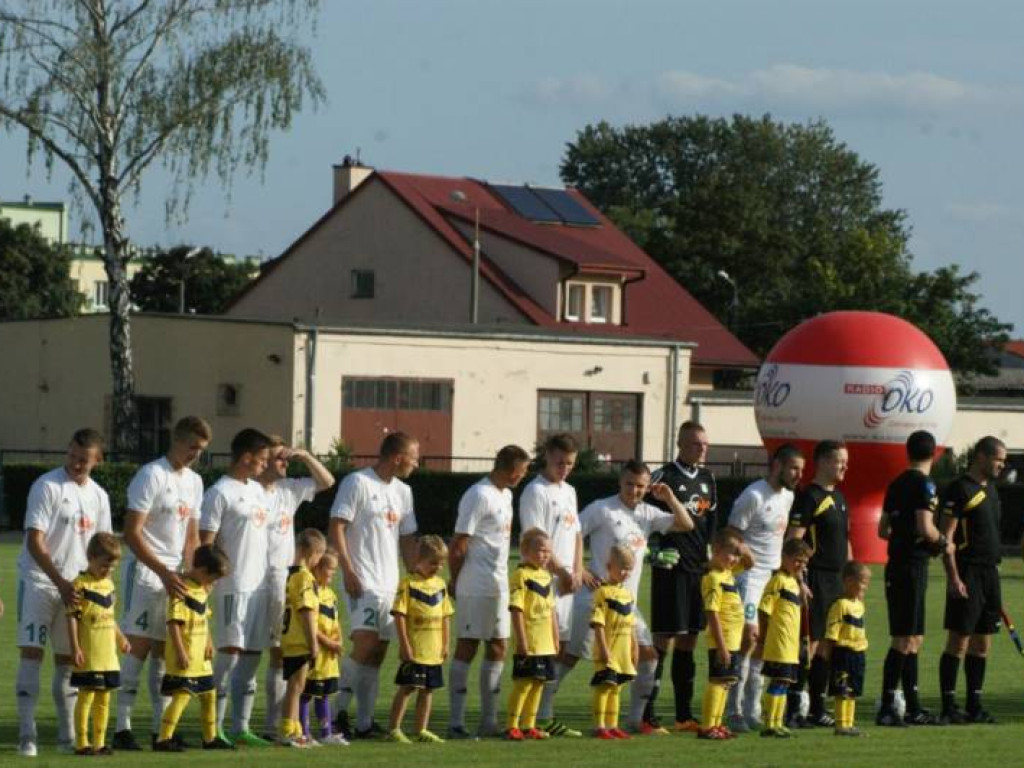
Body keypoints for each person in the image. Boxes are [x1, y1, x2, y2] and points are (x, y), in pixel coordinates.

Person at [553, 460, 694, 736]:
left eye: (641, 486)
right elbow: (572, 533)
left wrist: (670, 497)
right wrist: (579, 568)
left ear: (648, 487)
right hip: (595, 599)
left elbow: (686, 524)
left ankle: (635, 720)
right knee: (571, 657)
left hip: (627, 604)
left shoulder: (648, 513)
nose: (634, 490)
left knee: (649, 656)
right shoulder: (602, 509)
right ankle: (541, 713)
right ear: (620, 482)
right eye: (629, 484)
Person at [114, 416, 212, 752]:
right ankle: (121, 728)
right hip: (145, 572)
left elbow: (192, 536)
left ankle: (161, 731)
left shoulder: (195, 482)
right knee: (137, 649)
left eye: (201, 450)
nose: (196, 455)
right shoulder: (151, 475)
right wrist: (161, 571)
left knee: (164, 653)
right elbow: (132, 532)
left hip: (175, 577)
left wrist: (197, 575)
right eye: (193, 448)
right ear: (178, 441)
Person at [15, 428, 112, 757]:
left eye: (84, 460)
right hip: (41, 582)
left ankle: (67, 735)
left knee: (69, 661)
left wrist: (95, 587)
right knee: (31, 653)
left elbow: (103, 546)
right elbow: (34, 540)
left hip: (77, 589)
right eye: (72, 456)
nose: (75, 464)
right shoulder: (47, 485)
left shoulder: (100, 496)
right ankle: (27, 735)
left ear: (97, 460)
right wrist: (59, 581)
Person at [329, 432, 419, 739]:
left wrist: (415, 578)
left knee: (379, 651)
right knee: (364, 644)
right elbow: (337, 526)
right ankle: (334, 712)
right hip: (363, 581)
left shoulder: (404, 492)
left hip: (389, 583)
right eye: (414, 458)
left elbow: (407, 538)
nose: (416, 464)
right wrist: (348, 570)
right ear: (397, 457)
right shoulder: (357, 483)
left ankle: (364, 722)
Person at [447, 444, 531, 739]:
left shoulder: (506, 495)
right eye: (520, 473)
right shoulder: (478, 494)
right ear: (509, 470)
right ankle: (455, 723)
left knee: (498, 647)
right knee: (468, 646)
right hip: (476, 585)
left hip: (499, 585)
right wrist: (455, 582)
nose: (522, 478)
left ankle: (489, 721)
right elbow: (458, 544)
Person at [198, 427, 274, 746]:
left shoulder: (257, 491)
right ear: (246, 458)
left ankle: (240, 727)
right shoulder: (219, 493)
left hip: (260, 586)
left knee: (252, 657)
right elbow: (206, 545)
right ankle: (211, 728)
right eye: (262, 459)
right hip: (233, 586)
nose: (265, 464)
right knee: (229, 656)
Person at [259, 437, 335, 740]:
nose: (285, 463)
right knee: (247, 652)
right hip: (251, 580)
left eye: (287, 458)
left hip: (282, 580)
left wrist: (303, 454)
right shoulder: (250, 492)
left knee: (280, 654)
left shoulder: (290, 490)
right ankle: (242, 724)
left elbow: (327, 481)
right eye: (280, 458)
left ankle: (275, 724)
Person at [725, 443, 804, 733]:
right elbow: (732, 534)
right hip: (750, 577)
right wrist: (746, 560)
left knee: (765, 643)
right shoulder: (753, 495)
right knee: (748, 639)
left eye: (801, 470)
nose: (798, 475)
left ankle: (752, 709)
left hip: (774, 577)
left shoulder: (788, 497)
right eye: (794, 468)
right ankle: (732, 710)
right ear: (777, 466)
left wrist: (794, 576)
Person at [876, 430, 951, 727]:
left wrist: (903, 535)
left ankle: (913, 707)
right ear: (935, 453)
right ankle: (886, 706)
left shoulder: (896, 484)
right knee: (903, 638)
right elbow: (925, 526)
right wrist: (944, 542)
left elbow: (883, 530)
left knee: (914, 638)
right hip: (910, 567)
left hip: (900, 564)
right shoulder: (925, 484)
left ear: (907, 453)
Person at [646, 421, 717, 733]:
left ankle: (683, 715)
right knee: (664, 638)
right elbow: (642, 517)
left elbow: (710, 521)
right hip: (671, 569)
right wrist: (653, 551)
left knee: (690, 639)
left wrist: (711, 555)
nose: (700, 448)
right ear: (680, 443)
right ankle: (647, 714)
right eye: (694, 444)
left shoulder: (708, 478)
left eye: (703, 444)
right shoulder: (664, 477)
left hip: (697, 570)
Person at [937, 436, 1007, 725]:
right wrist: (953, 576)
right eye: (998, 460)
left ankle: (974, 704)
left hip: (990, 574)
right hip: (967, 574)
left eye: (1003, 461)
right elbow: (946, 538)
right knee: (959, 640)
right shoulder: (959, 489)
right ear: (981, 457)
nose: (1001, 466)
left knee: (983, 644)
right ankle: (949, 706)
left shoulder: (990, 490)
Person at [519, 434, 583, 738]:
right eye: (560, 462)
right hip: (546, 584)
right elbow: (535, 539)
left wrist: (578, 569)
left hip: (568, 583)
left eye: (570, 464)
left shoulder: (569, 491)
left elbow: (578, 534)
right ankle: (527, 718)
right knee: (542, 650)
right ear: (546, 456)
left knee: (562, 647)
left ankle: (545, 714)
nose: (564, 469)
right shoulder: (535, 492)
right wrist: (561, 571)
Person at [785, 439, 851, 727]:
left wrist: (851, 578)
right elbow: (793, 540)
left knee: (828, 645)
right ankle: (794, 705)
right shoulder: (809, 497)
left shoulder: (840, 498)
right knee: (809, 645)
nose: (845, 466)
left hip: (838, 581)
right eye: (839, 461)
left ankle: (817, 707)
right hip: (816, 579)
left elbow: (845, 542)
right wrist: (799, 577)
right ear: (823, 462)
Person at [153, 544, 234, 752]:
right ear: (202, 570)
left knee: (209, 695)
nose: (214, 583)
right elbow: (173, 623)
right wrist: (180, 651)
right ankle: (163, 739)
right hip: (185, 656)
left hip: (200, 658)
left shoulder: (201, 590)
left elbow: (203, 619)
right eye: (213, 578)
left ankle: (210, 738)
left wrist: (208, 642)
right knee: (182, 696)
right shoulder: (180, 589)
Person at [67, 533, 130, 755]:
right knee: (86, 696)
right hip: (90, 653)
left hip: (108, 656)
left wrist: (121, 638)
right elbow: (72, 618)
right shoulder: (79, 584)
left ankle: (100, 743)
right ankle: (82, 743)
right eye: (104, 566)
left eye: (112, 568)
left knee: (104, 698)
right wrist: (75, 647)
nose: (108, 571)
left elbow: (109, 618)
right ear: (91, 557)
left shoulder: (109, 585)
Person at [386, 535, 453, 744]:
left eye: (441, 563)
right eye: (433, 562)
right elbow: (399, 615)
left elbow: (445, 617)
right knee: (408, 688)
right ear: (419, 560)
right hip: (415, 649)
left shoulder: (440, 585)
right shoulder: (408, 584)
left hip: (434, 650)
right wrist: (405, 645)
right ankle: (394, 729)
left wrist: (445, 643)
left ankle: (421, 729)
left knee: (428, 690)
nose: (438, 567)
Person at [698, 529, 754, 740]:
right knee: (717, 681)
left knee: (726, 682)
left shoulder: (727, 573)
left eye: (737, 555)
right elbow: (711, 612)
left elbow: (750, 563)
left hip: (733, 640)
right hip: (722, 640)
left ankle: (717, 724)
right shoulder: (713, 578)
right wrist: (721, 646)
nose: (735, 559)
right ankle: (707, 726)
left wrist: (741, 547)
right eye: (731, 553)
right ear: (716, 551)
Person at [505, 528, 559, 741]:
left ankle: (529, 725)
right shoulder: (520, 575)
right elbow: (516, 609)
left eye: (548, 551)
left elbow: (552, 610)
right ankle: (512, 725)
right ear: (525, 550)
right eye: (540, 550)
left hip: (545, 642)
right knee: (524, 683)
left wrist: (555, 637)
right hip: (530, 641)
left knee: (539, 683)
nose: (544, 555)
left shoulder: (546, 576)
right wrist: (522, 639)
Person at [757, 538, 812, 738]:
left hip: (790, 644)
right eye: (797, 560)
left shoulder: (794, 583)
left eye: (804, 562)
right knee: (779, 682)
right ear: (784, 557)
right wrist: (763, 637)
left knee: (785, 683)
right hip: (778, 643)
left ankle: (778, 722)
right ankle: (770, 724)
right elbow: (764, 610)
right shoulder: (778, 581)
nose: (801, 565)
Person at [278, 528, 326, 747]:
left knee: (296, 686)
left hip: (290, 639)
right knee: (296, 687)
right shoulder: (305, 578)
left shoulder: (291, 574)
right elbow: (306, 611)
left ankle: (296, 729)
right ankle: (288, 731)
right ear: (313, 553)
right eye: (319, 556)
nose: (319, 561)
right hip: (300, 641)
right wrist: (313, 643)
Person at [590, 544, 639, 740]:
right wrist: (603, 650)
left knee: (617, 689)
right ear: (610, 566)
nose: (626, 573)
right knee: (605, 687)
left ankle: (613, 725)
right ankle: (599, 726)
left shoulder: (628, 595)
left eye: (629, 569)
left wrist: (634, 648)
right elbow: (598, 624)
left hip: (623, 653)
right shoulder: (602, 593)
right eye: (622, 568)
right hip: (608, 651)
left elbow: (631, 625)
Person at [300, 549, 348, 745]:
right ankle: (304, 733)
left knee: (324, 694)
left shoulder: (331, 594)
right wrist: (328, 643)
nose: (333, 573)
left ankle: (326, 733)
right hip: (317, 652)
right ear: (317, 567)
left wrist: (339, 641)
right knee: (307, 694)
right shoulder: (312, 592)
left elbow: (335, 622)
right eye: (330, 568)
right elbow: (310, 624)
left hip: (330, 655)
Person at [821, 561, 871, 737]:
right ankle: (841, 725)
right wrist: (828, 653)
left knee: (853, 690)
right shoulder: (839, 605)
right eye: (863, 581)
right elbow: (832, 630)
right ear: (849, 581)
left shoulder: (859, 603)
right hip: (843, 652)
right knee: (843, 689)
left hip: (858, 653)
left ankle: (850, 724)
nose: (866, 586)